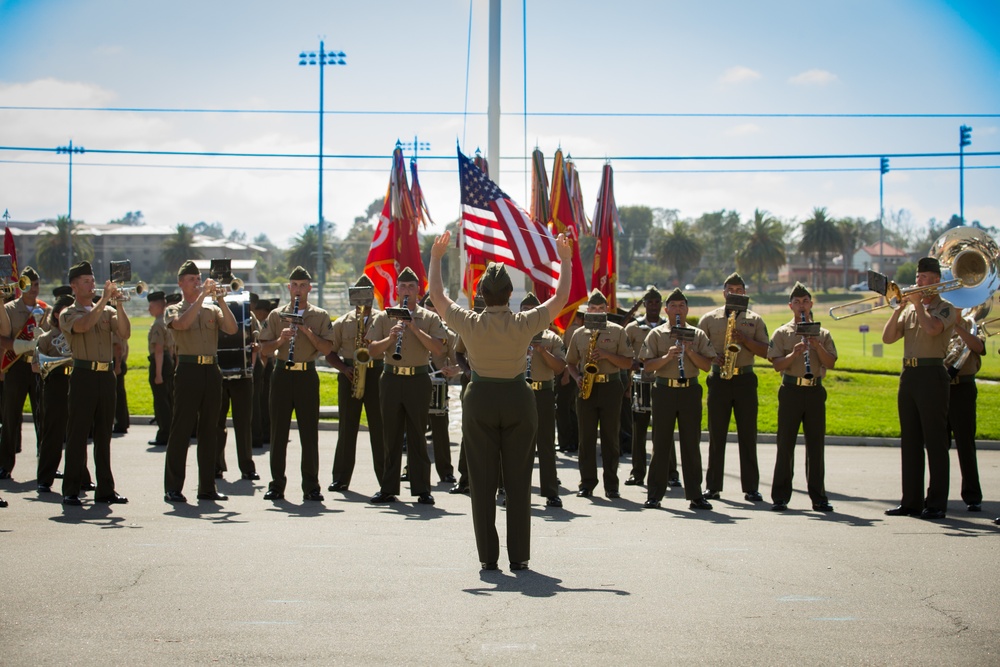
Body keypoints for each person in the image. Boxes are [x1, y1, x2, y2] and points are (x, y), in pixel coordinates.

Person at [428, 230, 572, 571]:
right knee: (519, 481)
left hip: (480, 399)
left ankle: (488, 558)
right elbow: (560, 298)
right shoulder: (525, 322)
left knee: (482, 481)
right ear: (510, 294)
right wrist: (565, 258)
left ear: (481, 294)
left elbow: (437, 296)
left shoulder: (469, 322)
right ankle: (519, 556)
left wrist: (436, 257)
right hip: (519, 400)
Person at [881, 257, 957, 520]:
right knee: (910, 441)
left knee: (935, 441)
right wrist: (895, 309)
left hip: (932, 373)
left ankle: (936, 503)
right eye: (917, 276)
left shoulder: (946, 308)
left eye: (924, 277)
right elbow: (888, 338)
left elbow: (933, 329)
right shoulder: (910, 309)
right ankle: (910, 502)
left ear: (936, 280)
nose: (918, 281)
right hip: (909, 374)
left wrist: (917, 305)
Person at [366, 267, 448, 506]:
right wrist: (391, 338)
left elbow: (439, 349)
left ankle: (422, 489)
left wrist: (413, 327)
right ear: (397, 289)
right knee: (390, 436)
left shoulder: (429, 318)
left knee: (417, 435)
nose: (407, 291)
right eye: (403, 286)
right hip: (391, 378)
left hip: (417, 379)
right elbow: (371, 350)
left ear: (418, 290)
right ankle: (388, 488)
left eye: (411, 287)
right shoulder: (384, 317)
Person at [163, 260, 238, 503]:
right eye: (192, 279)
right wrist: (202, 296)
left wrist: (221, 300)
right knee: (182, 429)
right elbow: (182, 324)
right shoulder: (174, 308)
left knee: (210, 430)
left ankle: (207, 487)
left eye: (198, 278)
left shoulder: (211, 308)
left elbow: (232, 328)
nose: (197, 281)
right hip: (187, 370)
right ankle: (173, 487)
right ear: (181, 283)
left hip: (211, 370)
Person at [258, 266, 336, 502]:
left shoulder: (319, 315)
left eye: (303, 285)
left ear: (309, 288)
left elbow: (327, 349)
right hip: (282, 374)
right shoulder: (276, 315)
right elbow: (264, 349)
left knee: (309, 434)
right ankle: (276, 484)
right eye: (295, 285)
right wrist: (281, 339)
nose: (298, 290)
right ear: (289, 287)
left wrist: (307, 331)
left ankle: (311, 486)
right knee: (278, 432)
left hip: (306, 376)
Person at [59, 261, 131, 506]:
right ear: (74, 286)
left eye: (92, 280)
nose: (92, 285)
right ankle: (71, 488)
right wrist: (104, 301)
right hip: (83, 375)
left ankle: (105, 489)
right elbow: (83, 326)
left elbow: (124, 331)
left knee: (104, 434)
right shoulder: (68, 313)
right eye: (87, 281)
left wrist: (118, 304)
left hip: (106, 375)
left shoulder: (107, 310)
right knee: (78, 434)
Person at [640, 288, 715, 510]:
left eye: (682, 306)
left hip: (689, 390)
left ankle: (695, 494)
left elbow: (707, 365)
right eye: (673, 306)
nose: (678, 310)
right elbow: (647, 366)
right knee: (661, 443)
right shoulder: (656, 334)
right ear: (666, 309)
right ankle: (655, 494)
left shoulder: (697, 334)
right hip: (664, 390)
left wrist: (690, 352)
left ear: (687, 309)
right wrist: (667, 357)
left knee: (691, 443)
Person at [697, 272, 770, 502]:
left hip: (745, 380)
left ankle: (751, 487)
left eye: (739, 290)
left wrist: (745, 340)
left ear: (744, 292)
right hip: (719, 379)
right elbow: (698, 349)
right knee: (717, 435)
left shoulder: (754, 319)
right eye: (731, 290)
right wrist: (713, 357)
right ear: (724, 292)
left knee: (748, 435)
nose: (735, 293)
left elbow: (767, 351)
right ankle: (713, 486)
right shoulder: (709, 318)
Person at [767, 282, 838, 512]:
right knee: (785, 443)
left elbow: (831, 363)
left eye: (805, 301)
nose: (801, 306)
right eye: (797, 302)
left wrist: (816, 346)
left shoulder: (823, 333)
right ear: (790, 306)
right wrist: (794, 353)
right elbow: (777, 365)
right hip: (791, 390)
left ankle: (818, 497)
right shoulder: (782, 333)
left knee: (816, 445)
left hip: (815, 390)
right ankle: (780, 496)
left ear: (811, 304)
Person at [566, 289, 633, 499]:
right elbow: (570, 362)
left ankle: (611, 485)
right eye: (592, 308)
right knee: (585, 438)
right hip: (587, 386)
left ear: (606, 310)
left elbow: (628, 362)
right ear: (587, 311)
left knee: (610, 437)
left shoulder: (617, 331)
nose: (596, 311)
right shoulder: (579, 333)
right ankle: (587, 483)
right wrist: (577, 377)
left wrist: (605, 355)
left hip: (610, 386)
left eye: (600, 308)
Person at [326, 276, 385, 492]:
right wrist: (344, 369)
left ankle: (385, 480)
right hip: (350, 374)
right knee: (347, 427)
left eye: (367, 292)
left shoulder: (383, 319)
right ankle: (340, 478)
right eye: (358, 292)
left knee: (379, 429)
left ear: (373, 293)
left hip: (376, 372)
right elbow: (330, 354)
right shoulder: (342, 322)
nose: (363, 297)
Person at [36, 294, 93, 494]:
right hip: (56, 384)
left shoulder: (79, 334)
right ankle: (44, 478)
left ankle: (82, 478)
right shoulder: (46, 338)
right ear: (56, 315)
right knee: (53, 432)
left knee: (78, 433)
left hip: (76, 381)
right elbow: (36, 367)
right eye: (62, 313)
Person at [520, 293, 568, 507]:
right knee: (516, 443)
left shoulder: (551, 338)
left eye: (532, 309)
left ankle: (550, 491)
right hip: (519, 392)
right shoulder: (513, 335)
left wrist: (541, 350)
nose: (528, 313)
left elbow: (559, 368)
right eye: (525, 309)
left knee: (546, 443)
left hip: (543, 393)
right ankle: (513, 489)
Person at [623, 287, 674, 487]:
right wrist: (629, 376)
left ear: (662, 305)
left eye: (656, 302)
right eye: (650, 302)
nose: (653, 305)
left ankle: (671, 472)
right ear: (644, 304)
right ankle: (637, 473)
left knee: (665, 428)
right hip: (640, 382)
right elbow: (625, 355)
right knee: (639, 430)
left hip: (663, 381)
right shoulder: (633, 328)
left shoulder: (668, 327)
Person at [0, 266, 46, 478]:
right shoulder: (8, 309)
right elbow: (2, 338)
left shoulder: (46, 309)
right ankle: (5, 465)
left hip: (39, 368)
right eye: (28, 284)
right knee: (10, 417)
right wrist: (22, 346)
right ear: (20, 285)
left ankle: (46, 466)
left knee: (43, 418)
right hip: (17, 367)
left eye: (36, 285)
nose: (33, 289)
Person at [215, 291, 259, 482]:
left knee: (243, 423)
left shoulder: (247, 314)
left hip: (242, 375)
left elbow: (256, 341)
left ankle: (247, 467)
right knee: (216, 424)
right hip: (218, 375)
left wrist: (252, 361)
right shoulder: (211, 310)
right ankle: (216, 466)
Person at [946, 315, 986, 512]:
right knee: (937, 446)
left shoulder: (972, 324)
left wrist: (957, 326)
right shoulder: (937, 320)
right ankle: (936, 495)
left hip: (963, 388)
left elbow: (978, 348)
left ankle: (972, 496)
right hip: (940, 387)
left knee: (965, 444)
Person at [146, 291, 175, 447]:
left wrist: (158, 374)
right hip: (167, 361)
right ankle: (169, 431)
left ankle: (164, 433)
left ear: (158, 306)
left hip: (160, 362)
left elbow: (158, 349)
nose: (149, 309)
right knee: (168, 399)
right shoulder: (167, 320)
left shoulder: (158, 323)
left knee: (161, 401)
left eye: (151, 306)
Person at [555, 309, 584, 453]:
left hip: (569, 374)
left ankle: (567, 442)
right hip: (572, 374)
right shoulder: (573, 329)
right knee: (569, 408)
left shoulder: (573, 329)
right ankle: (571, 441)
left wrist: (566, 375)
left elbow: (570, 356)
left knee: (563, 408)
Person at [251, 296, 276, 448]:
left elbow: (264, 352)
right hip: (265, 363)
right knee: (263, 401)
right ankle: (265, 433)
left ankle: (264, 433)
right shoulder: (265, 323)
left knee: (263, 401)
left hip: (265, 364)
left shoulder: (266, 324)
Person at [112, 333, 130, 434]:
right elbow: (126, 347)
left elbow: (118, 348)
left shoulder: (115, 328)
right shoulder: (121, 328)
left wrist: (117, 366)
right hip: (119, 361)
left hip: (115, 362)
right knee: (120, 394)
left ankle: (120, 423)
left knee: (117, 395)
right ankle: (123, 422)